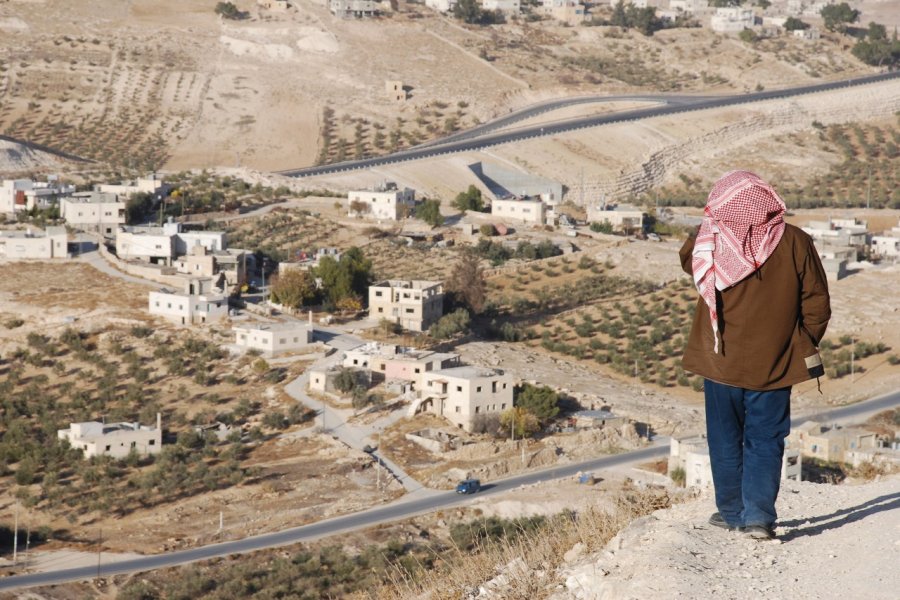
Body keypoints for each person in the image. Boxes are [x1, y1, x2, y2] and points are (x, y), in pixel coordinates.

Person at [680, 170, 831, 540]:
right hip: (775, 364)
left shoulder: (709, 241)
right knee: (766, 439)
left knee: (724, 438)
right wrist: (800, 341)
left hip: (720, 363)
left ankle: (732, 512)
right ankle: (759, 518)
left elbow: (688, 262)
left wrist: (709, 224)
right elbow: (817, 303)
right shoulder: (796, 241)